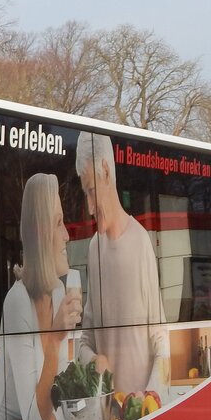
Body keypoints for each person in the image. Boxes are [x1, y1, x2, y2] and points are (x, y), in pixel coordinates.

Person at [0, 174, 82, 420]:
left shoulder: (56, 292)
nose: (67, 234)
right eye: (58, 223)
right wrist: (53, 341)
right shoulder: (17, 302)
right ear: (40, 233)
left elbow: (64, 413)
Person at [74, 131, 169, 395]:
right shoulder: (94, 248)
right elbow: (85, 341)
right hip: (109, 417)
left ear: (106, 170)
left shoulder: (140, 242)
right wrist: (93, 361)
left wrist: (149, 397)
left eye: (91, 191)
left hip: (141, 413)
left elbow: (160, 337)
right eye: (85, 194)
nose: (90, 207)